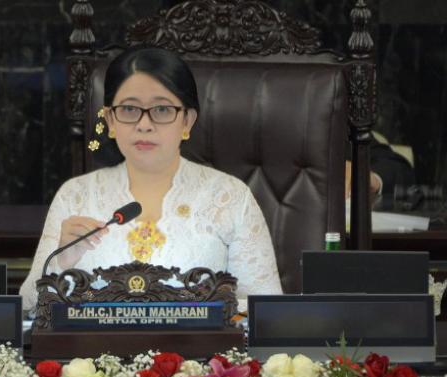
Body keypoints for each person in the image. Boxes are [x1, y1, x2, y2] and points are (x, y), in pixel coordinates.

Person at [19, 46, 282, 311]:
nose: (144, 125)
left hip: (198, 340)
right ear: (110, 120)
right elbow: (28, 307)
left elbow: (267, 311)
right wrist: (61, 262)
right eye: (129, 109)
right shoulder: (75, 196)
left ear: (187, 121)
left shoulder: (231, 197)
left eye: (162, 110)